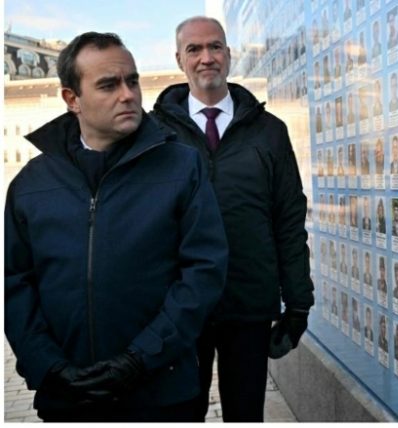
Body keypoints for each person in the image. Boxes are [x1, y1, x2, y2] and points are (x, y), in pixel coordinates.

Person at [5, 31, 228, 422]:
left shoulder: (182, 166)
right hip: (69, 398)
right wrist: (50, 367)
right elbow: (14, 286)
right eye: (109, 85)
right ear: (72, 99)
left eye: (132, 81)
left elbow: (204, 272)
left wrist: (140, 358)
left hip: (162, 393)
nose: (128, 95)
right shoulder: (30, 185)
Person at [153, 17, 313, 422]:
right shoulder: (155, 134)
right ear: (179, 59)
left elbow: (289, 219)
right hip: (180, 308)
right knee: (181, 414)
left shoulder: (269, 132)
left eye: (215, 47)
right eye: (194, 49)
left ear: (228, 54)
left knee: (245, 414)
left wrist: (298, 302)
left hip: (248, 304)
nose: (206, 58)